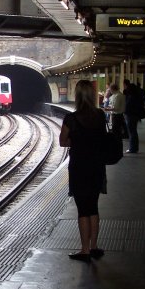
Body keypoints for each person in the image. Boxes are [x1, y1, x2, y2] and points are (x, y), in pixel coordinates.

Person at [59, 79, 106, 262]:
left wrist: (77, 142)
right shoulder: (100, 115)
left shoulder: (71, 118)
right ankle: (94, 246)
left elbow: (63, 141)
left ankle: (84, 249)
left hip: (79, 166)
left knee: (82, 209)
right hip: (96, 165)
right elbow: (102, 137)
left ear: (77, 96)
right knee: (93, 206)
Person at [123, 79, 140, 153]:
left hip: (130, 115)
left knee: (131, 132)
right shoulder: (135, 97)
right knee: (133, 131)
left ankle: (132, 148)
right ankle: (134, 147)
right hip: (134, 115)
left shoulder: (131, 97)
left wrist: (124, 112)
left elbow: (127, 107)